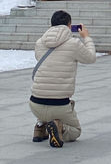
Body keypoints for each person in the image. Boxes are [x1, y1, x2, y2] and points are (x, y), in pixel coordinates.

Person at [29, 10, 96, 148]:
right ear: (69, 25)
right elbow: (91, 58)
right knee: (76, 131)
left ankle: (40, 127)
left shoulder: (40, 42)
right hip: (59, 105)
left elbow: (39, 59)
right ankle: (60, 127)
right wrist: (87, 37)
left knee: (46, 87)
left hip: (35, 103)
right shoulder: (73, 43)